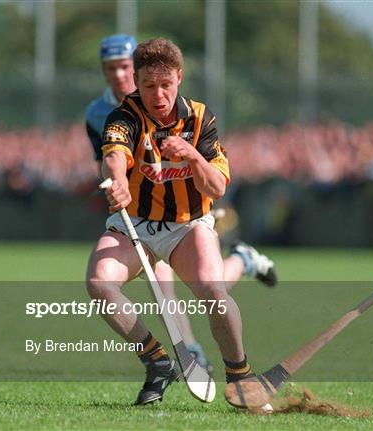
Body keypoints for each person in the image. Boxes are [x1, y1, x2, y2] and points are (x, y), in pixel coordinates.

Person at [85, 36, 276, 405]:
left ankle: (240, 375)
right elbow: (114, 157)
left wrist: (192, 155)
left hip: (186, 224)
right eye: (149, 86)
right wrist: (120, 184)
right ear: (138, 83)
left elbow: (217, 186)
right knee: (99, 283)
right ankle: (157, 361)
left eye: (166, 85)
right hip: (135, 221)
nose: (158, 95)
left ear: (179, 78)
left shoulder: (201, 119)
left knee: (215, 294)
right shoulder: (123, 115)